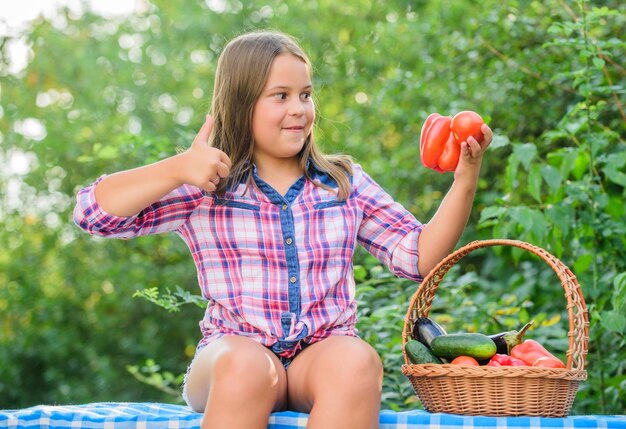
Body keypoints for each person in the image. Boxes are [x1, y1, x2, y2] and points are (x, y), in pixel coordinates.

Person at [74, 30, 492, 429]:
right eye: (281, 96)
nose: (299, 108)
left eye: (305, 95)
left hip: (320, 355)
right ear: (242, 105)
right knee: (248, 368)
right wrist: (178, 167)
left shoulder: (342, 182)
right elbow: (94, 214)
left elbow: (418, 256)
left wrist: (465, 178)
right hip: (232, 354)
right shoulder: (206, 184)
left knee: (357, 362)